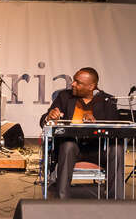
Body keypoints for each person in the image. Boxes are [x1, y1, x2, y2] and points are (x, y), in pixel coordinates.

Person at [39, 67, 124, 199]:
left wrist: (96, 124)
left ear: (91, 86)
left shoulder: (107, 101)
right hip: (73, 149)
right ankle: (62, 200)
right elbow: (43, 121)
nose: (72, 84)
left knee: (117, 149)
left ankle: (116, 200)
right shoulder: (65, 97)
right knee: (68, 145)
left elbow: (115, 131)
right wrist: (49, 117)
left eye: (78, 82)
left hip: (98, 150)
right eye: (74, 80)